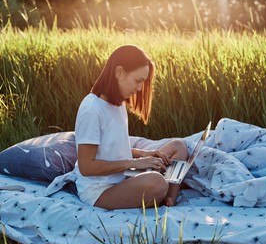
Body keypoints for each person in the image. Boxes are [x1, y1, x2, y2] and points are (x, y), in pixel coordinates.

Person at [75, 44, 188, 210]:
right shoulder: (92, 109)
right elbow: (86, 167)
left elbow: (112, 150)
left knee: (179, 146)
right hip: (100, 190)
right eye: (138, 81)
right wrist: (133, 163)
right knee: (157, 183)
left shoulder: (118, 104)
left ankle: (169, 199)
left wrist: (143, 154)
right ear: (119, 73)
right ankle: (164, 193)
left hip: (123, 178)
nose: (140, 88)